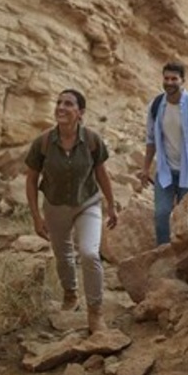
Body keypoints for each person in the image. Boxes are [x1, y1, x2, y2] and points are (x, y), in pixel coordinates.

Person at [25, 88, 118, 331]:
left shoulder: (92, 140)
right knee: (63, 256)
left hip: (87, 204)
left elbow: (101, 173)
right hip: (55, 207)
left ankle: (95, 312)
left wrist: (111, 204)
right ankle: (70, 294)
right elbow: (31, 180)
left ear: (81, 112)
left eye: (68, 104)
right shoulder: (43, 142)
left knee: (89, 253)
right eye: (59, 103)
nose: (61, 107)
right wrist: (36, 216)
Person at [139, 61, 188, 245]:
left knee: (185, 219)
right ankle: (163, 253)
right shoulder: (156, 105)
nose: (170, 82)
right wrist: (145, 168)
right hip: (165, 170)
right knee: (161, 213)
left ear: (183, 81)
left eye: (174, 79)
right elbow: (151, 140)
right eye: (166, 78)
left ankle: (185, 256)